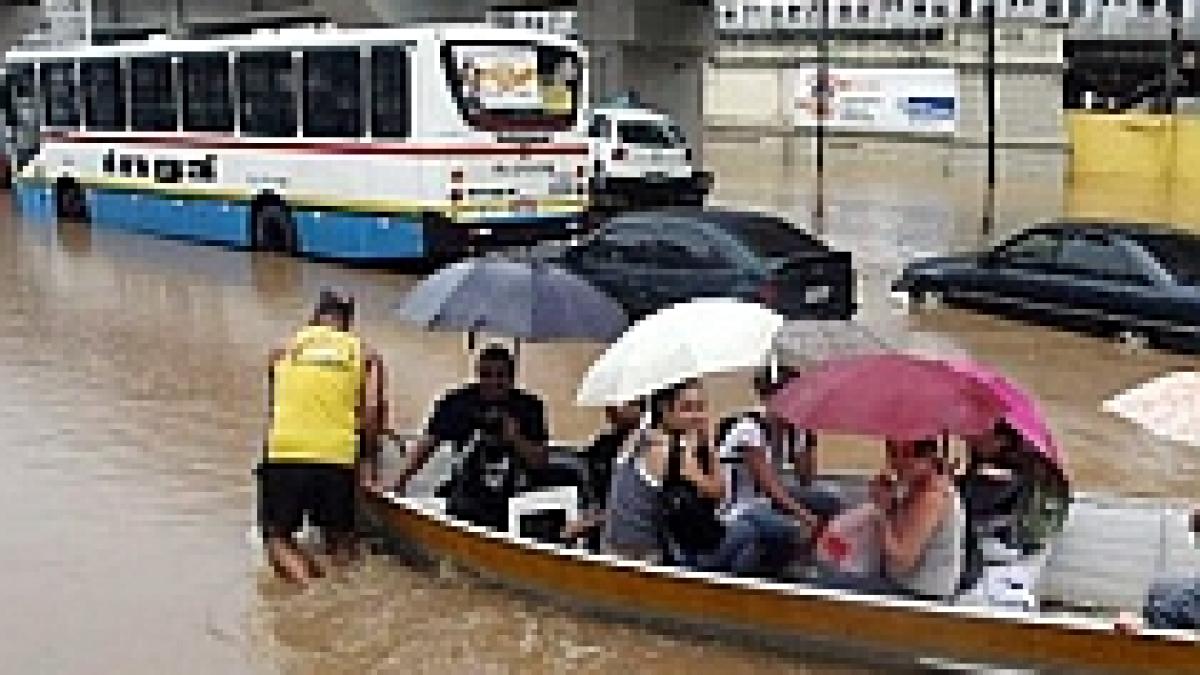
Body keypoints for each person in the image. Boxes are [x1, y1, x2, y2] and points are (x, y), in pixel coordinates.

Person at [259, 289, 386, 584]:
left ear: (314, 317)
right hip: (337, 455)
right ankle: (338, 590)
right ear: (348, 322)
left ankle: (308, 590)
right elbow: (371, 409)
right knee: (342, 540)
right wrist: (368, 465)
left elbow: (276, 407)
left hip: (285, 451)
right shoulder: (366, 354)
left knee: (278, 539)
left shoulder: (283, 350)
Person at [391, 344, 549, 531]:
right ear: (477, 375)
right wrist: (398, 482)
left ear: (511, 378)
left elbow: (540, 462)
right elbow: (427, 445)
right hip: (465, 497)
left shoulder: (529, 407)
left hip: (513, 500)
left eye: (500, 376)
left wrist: (516, 439)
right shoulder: (457, 403)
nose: (493, 382)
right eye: (486, 375)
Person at [708, 368, 844, 576]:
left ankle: (807, 560)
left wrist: (808, 438)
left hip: (765, 501)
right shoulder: (750, 429)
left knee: (832, 500)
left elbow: (805, 478)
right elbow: (770, 487)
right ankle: (784, 567)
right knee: (792, 528)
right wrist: (808, 518)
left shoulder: (789, 429)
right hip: (741, 507)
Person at [815, 438, 966, 601]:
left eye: (908, 455)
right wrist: (889, 501)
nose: (898, 462)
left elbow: (902, 561)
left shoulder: (931, 497)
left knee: (823, 586)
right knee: (823, 572)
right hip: (901, 584)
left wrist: (882, 512)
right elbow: (901, 530)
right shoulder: (916, 486)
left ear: (929, 457)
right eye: (893, 453)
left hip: (917, 595)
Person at [601, 379, 728, 566]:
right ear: (664, 409)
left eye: (701, 407)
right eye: (687, 408)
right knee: (751, 528)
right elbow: (718, 491)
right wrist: (709, 444)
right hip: (648, 557)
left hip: (612, 549)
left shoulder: (636, 437)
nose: (697, 416)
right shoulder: (668, 451)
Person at [561, 402, 643, 549]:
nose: (611, 408)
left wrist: (594, 520)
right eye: (609, 402)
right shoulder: (604, 445)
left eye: (619, 402)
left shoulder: (649, 448)